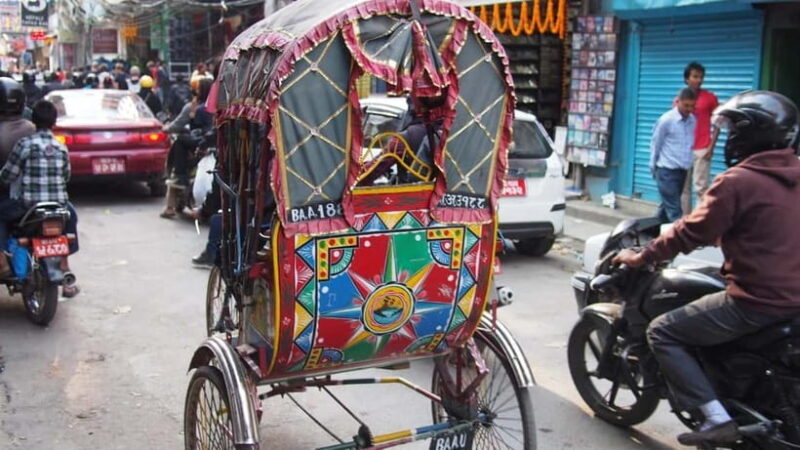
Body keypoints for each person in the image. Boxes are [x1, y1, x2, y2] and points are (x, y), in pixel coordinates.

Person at [614, 91, 800, 446]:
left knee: (663, 332)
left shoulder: (737, 182)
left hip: (758, 302)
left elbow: (690, 231)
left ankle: (716, 418)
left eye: (734, 130)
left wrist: (643, 256)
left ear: (752, 134)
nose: (728, 139)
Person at [0, 100, 70, 278]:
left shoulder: (24, 144)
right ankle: (65, 264)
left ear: (33, 121)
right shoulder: (61, 147)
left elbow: (8, 175)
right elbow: (66, 176)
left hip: (29, 206)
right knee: (71, 218)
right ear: (54, 123)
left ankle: (1, 260)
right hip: (58, 206)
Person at [159, 78, 214, 218]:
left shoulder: (194, 107)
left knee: (178, 146)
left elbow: (177, 126)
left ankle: (170, 206)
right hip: (213, 144)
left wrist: (164, 129)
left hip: (200, 145)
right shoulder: (220, 105)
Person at [650, 88, 697, 223]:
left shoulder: (692, 120)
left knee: (666, 208)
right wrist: (653, 167)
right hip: (666, 171)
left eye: (692, 106)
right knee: (675, 211)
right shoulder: (666, 120)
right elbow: (655, 143)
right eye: (686, 105)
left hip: (682, 171)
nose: (689, 109)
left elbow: (689, 144)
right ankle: (681, 241)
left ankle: (652, 234)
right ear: (678, 102)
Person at [679, 62, 720, 213]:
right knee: (684, 189)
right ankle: (684, 223)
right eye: (695, 76)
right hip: (684, 149)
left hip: (702, 148)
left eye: (701, 77)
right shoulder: (679, 100)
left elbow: (718, 124)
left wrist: (711, 146)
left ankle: (699, 224)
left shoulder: (710, 98)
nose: (699, 80)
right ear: (687, 79)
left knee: (701, 188)